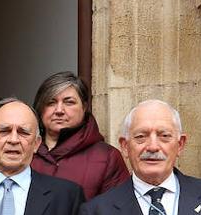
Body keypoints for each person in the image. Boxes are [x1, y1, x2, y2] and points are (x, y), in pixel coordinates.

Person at [31, 72, 129, 200]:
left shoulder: (107, 157)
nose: (59, 110)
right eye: (51, 102)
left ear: (84, 107)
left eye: (69, 102)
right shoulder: (23, 151)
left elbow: (117, 211)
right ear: (40, 108)